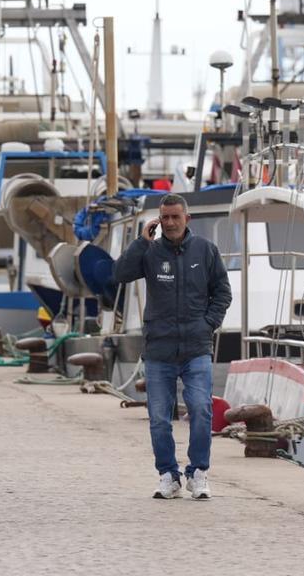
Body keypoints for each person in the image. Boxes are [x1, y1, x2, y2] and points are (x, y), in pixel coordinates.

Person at [113, 193, 231, 500]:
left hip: (196, 348)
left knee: (202, 410)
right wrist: (140, 242)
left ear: (186, 219)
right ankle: (168, 475)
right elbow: (120, 274)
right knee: (159, 417)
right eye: (164, 218)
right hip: (159, 351)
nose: (169, 223)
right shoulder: (150, 253)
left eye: (175, 217)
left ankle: (198, 473)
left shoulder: (206, 251)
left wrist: (208, 323)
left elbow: (222, 293)